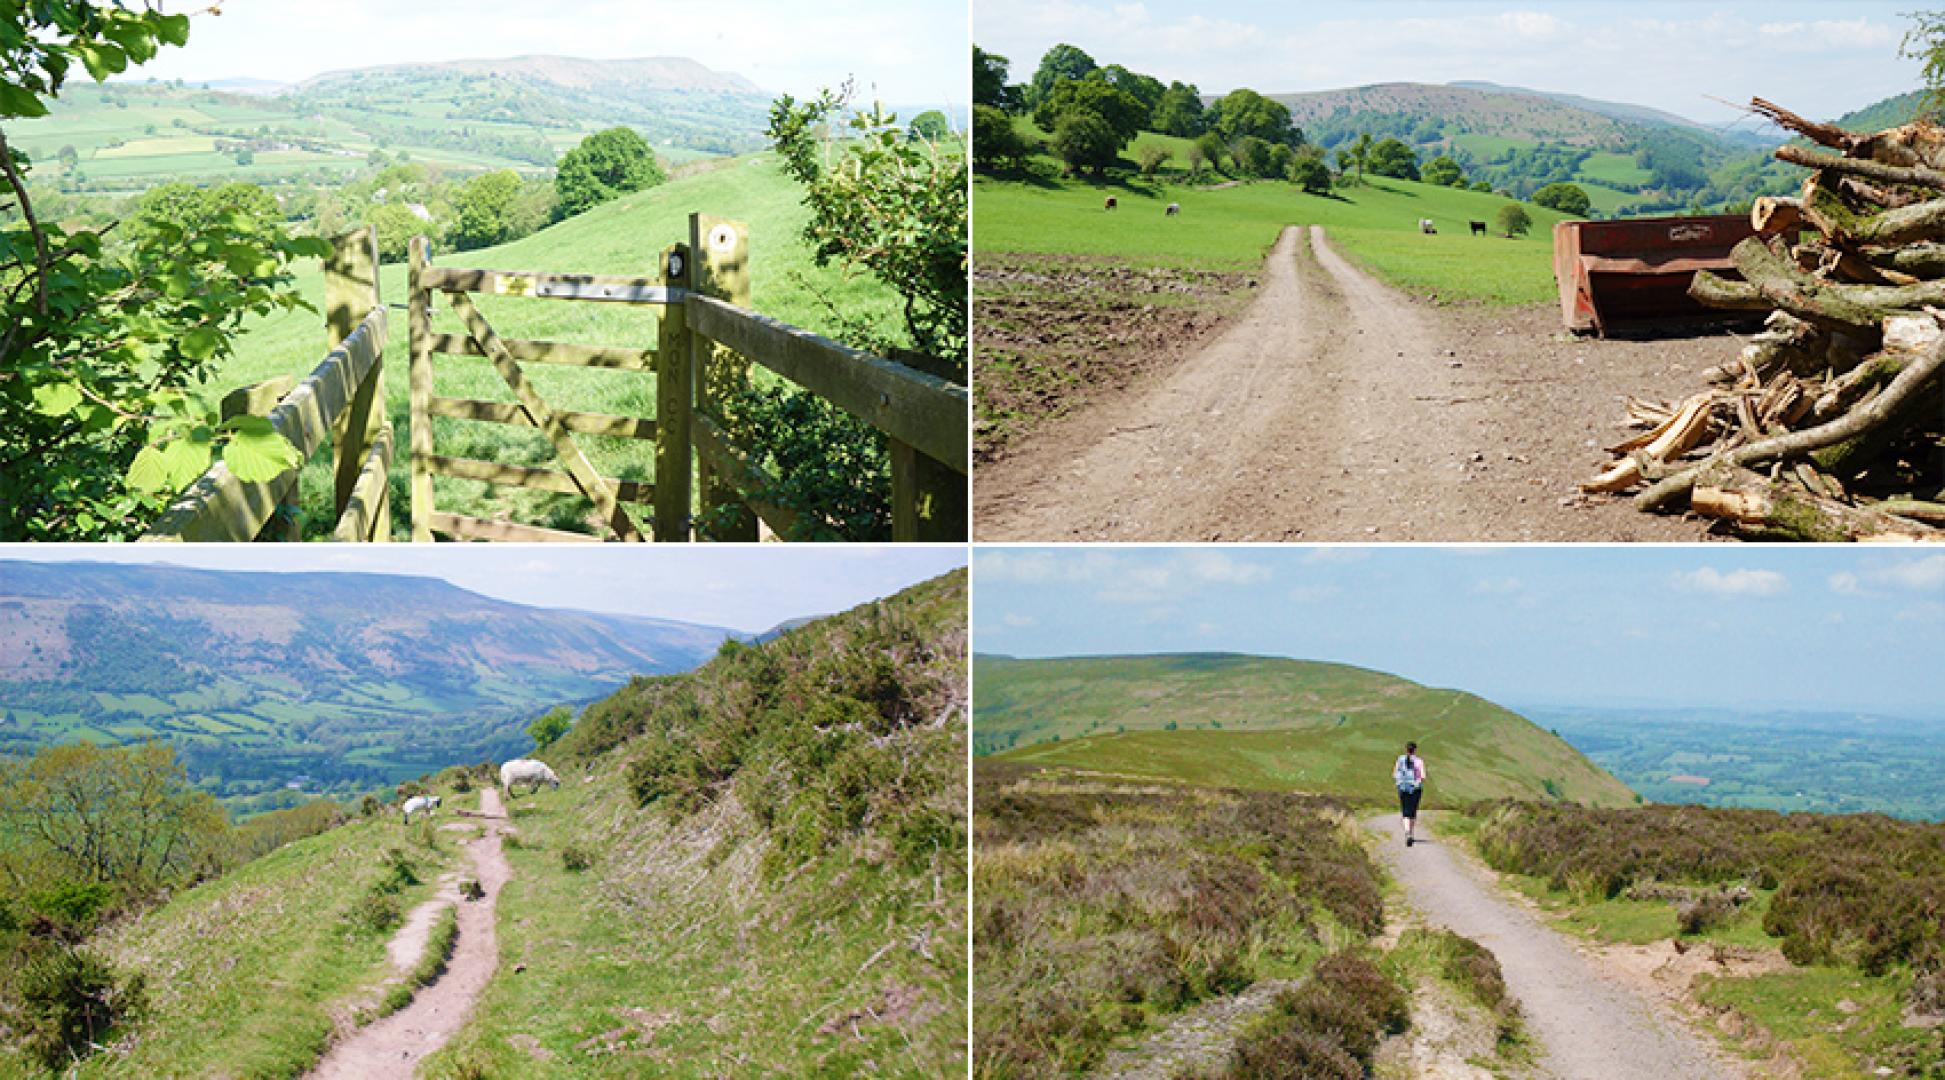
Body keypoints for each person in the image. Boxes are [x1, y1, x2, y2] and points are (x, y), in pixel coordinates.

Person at [1394, 741, 1426, 846]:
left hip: (1403, 788)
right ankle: (1411, 833)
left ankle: (1407, 832)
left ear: (1406, 749)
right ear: (1415, 750)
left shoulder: (1400, 759)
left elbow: (1395, 774)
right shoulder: (1419, 761)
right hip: (1416, 789)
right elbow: (1423, 776)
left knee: (1405, 811)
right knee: (1413, 812)